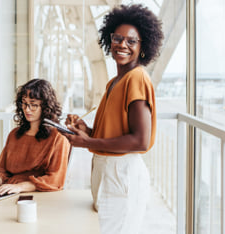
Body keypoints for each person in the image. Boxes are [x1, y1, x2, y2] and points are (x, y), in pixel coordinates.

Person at [63, 4, 164, 234]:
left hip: (122, 173)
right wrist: (86, 130)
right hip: (107, 171)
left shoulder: (137, 78)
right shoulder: (114, 82)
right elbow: (112, 134)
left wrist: (88, 143)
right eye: (118, 38)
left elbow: (140, 140)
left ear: (143, 46)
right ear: (110, 40)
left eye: (131, 41)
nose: (123, 45)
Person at [0, 79, 71, 195]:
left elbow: (55, 179)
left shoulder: (58, 138)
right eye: (24, 103)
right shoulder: (14, 134)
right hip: (9, 190)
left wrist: (20, 187)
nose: (27, 109)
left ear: (46, 107)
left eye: (33, 105)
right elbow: (2, 170)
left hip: (37, 195)